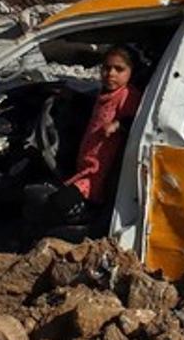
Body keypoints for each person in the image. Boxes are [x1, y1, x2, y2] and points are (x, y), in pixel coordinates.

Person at [49, 45, 142, 223]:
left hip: (99, 171)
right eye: (107, 68)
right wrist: (72, 96)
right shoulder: (105, 93)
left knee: (59, 203)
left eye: (119, 69)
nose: (111, 74)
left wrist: (117, 124)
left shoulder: (127, 95)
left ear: (131, 71)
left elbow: (136, 120)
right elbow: (91, 107)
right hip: (87, 163)